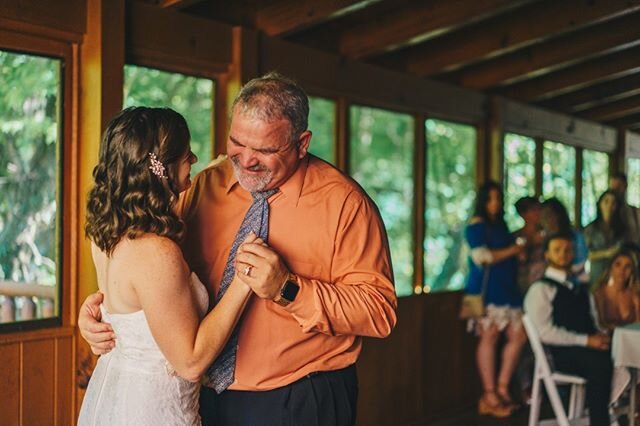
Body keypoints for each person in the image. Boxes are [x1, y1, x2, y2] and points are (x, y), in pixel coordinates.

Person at [79, 72, 398, 425]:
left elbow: (379, 312)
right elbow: (150, 271)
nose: (246, 161)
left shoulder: (346, 205)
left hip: (301, 396)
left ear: (302, 142)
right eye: (237, 143)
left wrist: (287, 288)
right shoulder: (202, 187)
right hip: (204, 399)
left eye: (264, 150)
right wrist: (106, 315)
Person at [78, 107, 257, 425]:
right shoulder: (156, 253)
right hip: (152, 409)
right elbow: (189, 362)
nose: (195, 160)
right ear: (161, 166)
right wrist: (244, 282)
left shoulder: (106, 232)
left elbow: (131, 306)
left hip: (115, 391)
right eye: (187, 153)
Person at [524, 231, 613, 426]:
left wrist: (602, 335)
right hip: (562, 355)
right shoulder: (541, 289)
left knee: (624, 354)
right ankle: (601, 421)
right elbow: (545, 332)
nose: (563, 254)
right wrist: (587, 341)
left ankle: (624, 409)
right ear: (547, 255)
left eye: (568, 250)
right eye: (557, 250)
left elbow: (593, 322)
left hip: (590, 347)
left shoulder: (581, 288)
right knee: (600, 363)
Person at [464, 181, 527, 418]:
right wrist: (513, 250)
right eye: (490, 199)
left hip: (507, 289)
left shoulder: (500, 226)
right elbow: (482, 257)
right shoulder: (476, 226)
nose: (495, 204)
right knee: (489, 336)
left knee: (518, 335)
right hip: (485, 291)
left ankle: (501, 387)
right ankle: (489, 394)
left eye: (498, 199)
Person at [540, 197, 589, 284]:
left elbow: (580, 263)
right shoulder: (542, 238)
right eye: (543, 216)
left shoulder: (575, 237)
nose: (546, 219)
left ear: (558, 215)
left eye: (549, 215)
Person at [584, 190, 627, 286]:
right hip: (597, 274)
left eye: (613, 203)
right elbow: (586, 254)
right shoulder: (590, 229)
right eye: (606, 201)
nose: (610, 205)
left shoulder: (621, 229)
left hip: (617, 276)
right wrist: (607, 253)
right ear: (600, 204)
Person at [593, 250, 640, 330]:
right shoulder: (600, 294)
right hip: (606, 339)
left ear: (632, 271)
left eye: (627, 266)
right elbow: (599, 324)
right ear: (611, 267)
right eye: (618, 265)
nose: (622, 270)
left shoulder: (634, 295)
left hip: (630, 339)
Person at [513, 196, 545, 293]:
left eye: (539, 209)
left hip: (543, 286)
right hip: (521, 286)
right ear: (523, 214)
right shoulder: (516, 237)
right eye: (533, 210)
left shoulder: (548, 235)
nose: (538, 213)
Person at [610, 172, 640, 246]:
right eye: (612, 187)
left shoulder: (634, 212)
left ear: (625, 187)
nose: (615, 190)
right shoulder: (606, 212)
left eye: (618, 187)